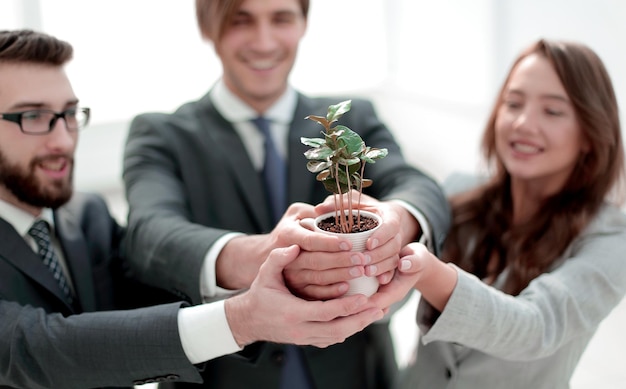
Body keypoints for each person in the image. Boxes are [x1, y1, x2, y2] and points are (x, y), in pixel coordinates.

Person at [0, 29, 393, 389]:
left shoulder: (86, 217)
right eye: (33, 116)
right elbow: (38, 347)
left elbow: (158, 298)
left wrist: (289, 280)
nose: (63, 138)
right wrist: (243, 319)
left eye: (69, 113)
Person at [122, 0, 450, 388]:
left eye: (281, 18)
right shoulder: (162, 136)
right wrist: (263, 255)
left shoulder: (352, 121)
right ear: (207, 26)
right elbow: (149, 233)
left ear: (303, 23)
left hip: (353, 374)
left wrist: (398, 220)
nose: (264, 42)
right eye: (241, 21)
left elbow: (418, 187)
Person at [395, 39, 626, 388]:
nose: (522, 123)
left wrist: (425, 270)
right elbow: (384, 308)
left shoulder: (611, 239)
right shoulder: (458, 193)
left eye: (552, 111)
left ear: (590, 135)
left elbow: (535, 327)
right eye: (513, 103)